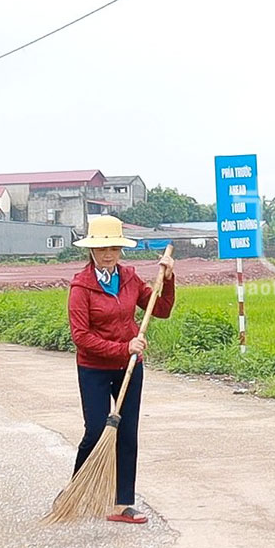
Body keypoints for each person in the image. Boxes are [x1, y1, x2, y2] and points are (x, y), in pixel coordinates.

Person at [68, 215, 175, 523]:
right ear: (91, 250)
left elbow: (161, 309)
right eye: (102, 249)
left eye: (113, 248)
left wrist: (167, 281)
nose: (108, 254)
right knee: (96, 429)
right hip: (94, 368)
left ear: (120, 249)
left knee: (127, 432)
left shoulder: (128, 278)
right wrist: (123, 347)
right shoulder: (81, 286)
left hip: (130, 367)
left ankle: (121, 503)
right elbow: (81, 337)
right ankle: (76, 489)